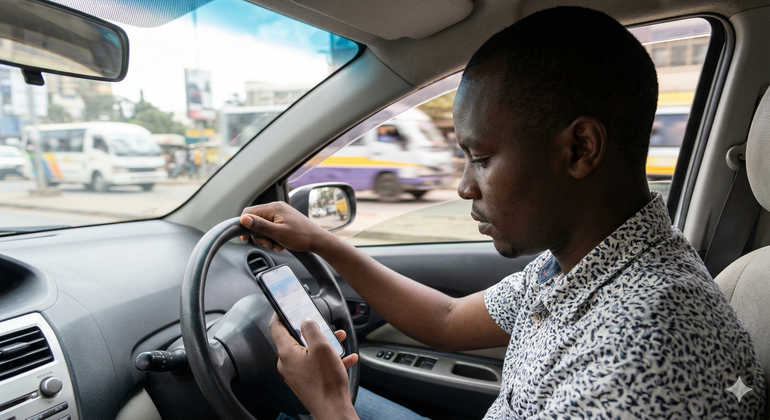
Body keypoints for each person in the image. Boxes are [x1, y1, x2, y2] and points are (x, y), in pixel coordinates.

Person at [241, 6, 765, 419]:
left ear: (580, 148)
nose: (466, 186)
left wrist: (330, 403)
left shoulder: (643, 349)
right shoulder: (586, 263)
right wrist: (322, 240)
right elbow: (446, 321)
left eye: (482, 158)